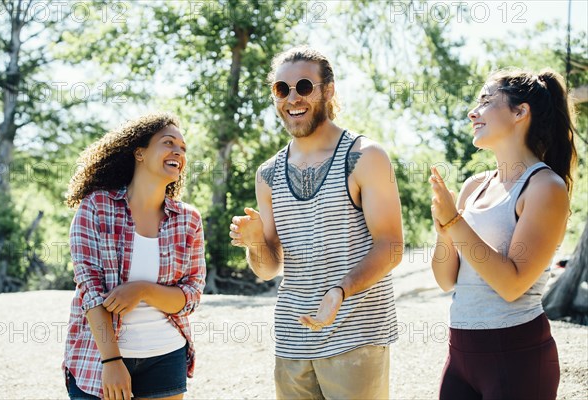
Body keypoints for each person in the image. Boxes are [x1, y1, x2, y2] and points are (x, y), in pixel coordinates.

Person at [229, 46, 404, 399]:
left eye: (304, 86)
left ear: (328, 90)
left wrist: (340, 291)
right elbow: (269, 268)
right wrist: (255, 244)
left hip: (356, 336)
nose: (293, 97)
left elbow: (391, 246)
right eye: (282, 89)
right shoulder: (267, 174)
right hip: (292, 343)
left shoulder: (365, 156)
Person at [429, 68, 577, 400]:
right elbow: (445, 279)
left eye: (485, 101)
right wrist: (443, 228)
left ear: (520, 112)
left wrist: (455, 223)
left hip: (516, 356)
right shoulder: (473, 187)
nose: (473, 111)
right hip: (460, 352)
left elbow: (511, 284)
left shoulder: (544, 187)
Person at [63, 113, 206, 400]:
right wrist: (112, 361)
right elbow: (90, 290)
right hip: (100, 357)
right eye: (168, 143)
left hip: (166, 355)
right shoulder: (97, 207)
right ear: (139, 153)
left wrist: (141, 290)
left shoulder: (188, 219)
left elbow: (190, 296)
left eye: (183, 148)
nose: (178, 151)